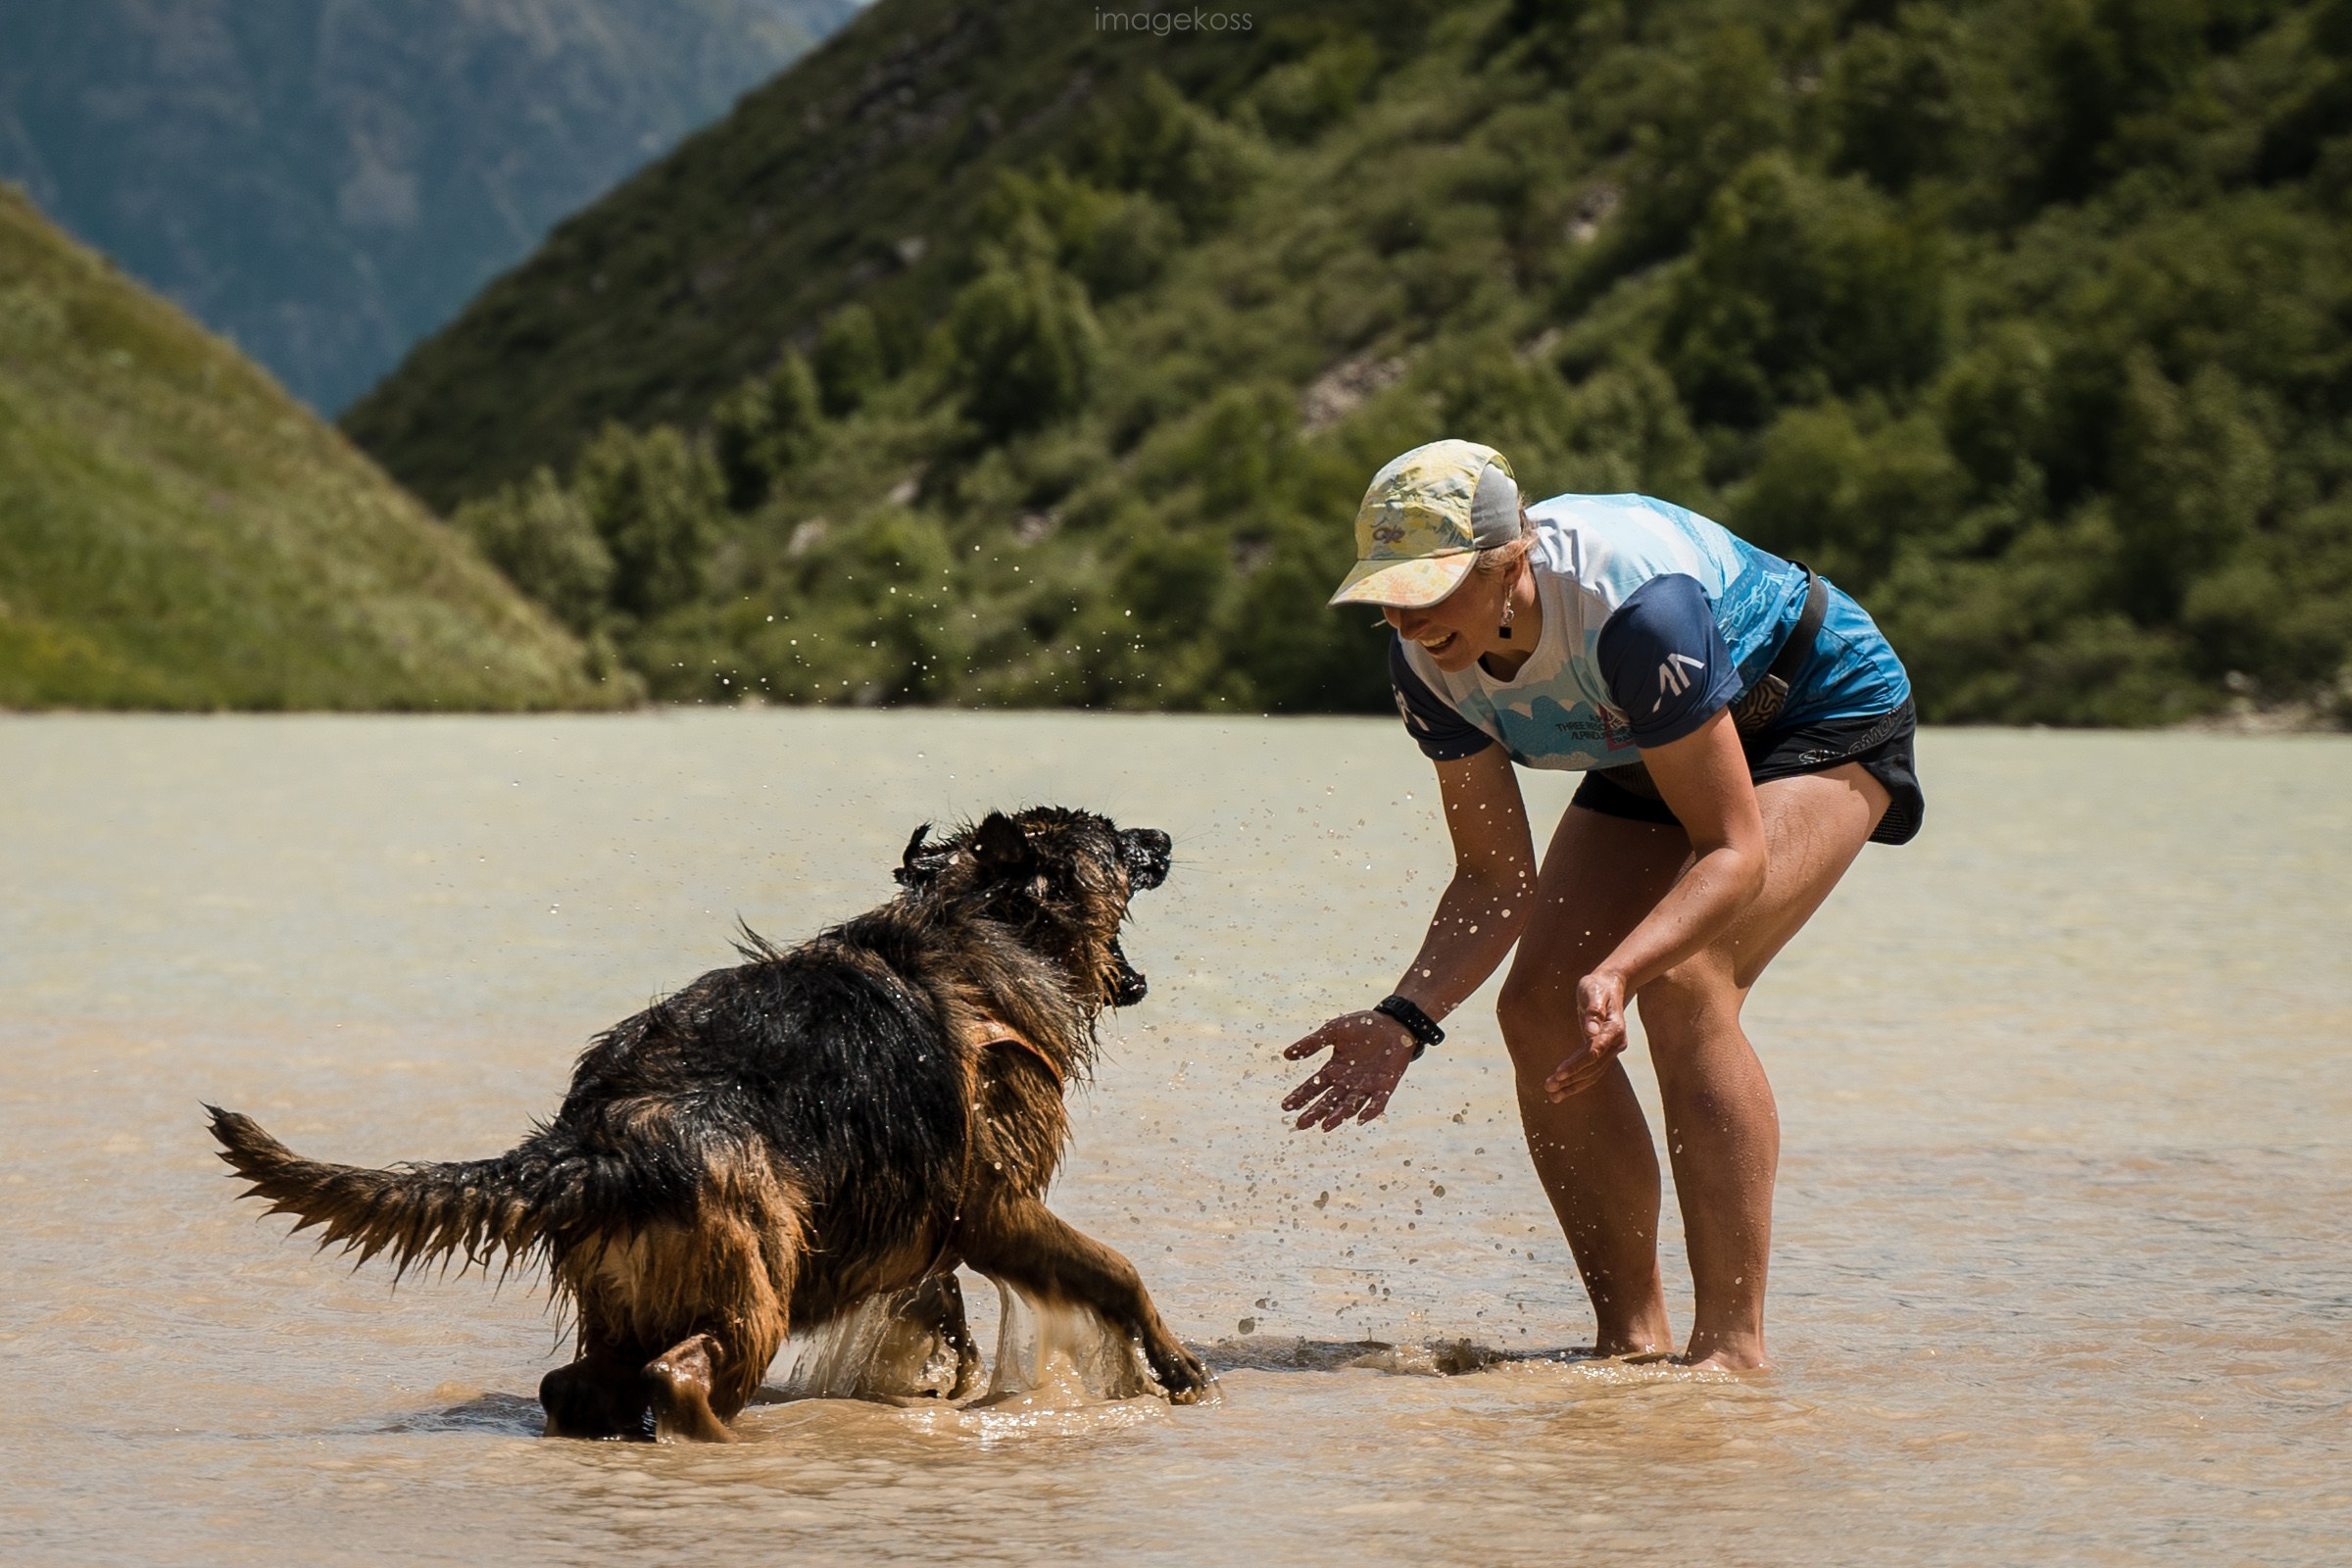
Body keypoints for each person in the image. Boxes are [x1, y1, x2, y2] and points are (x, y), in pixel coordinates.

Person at [1281, 439, 1922, 1370]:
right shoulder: (1426, 666)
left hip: (1810, 713)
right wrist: (1405, 1017)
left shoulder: (1636, 611)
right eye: (1390, 594)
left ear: (1512, 561)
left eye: (1431, 588)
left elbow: (1731, 849)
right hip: (1644, 739)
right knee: (1537, 1006)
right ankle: (1628, 1344)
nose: (1408, 619)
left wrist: (1623, 966)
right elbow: (1494, 879)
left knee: (1682, 975)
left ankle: (1729, 1356)